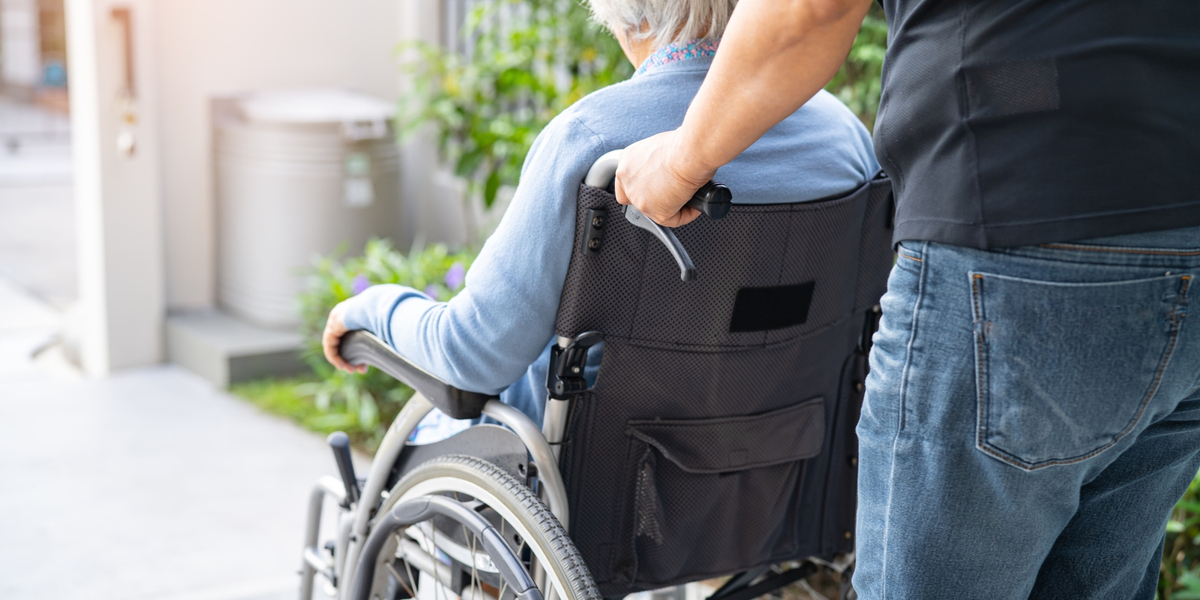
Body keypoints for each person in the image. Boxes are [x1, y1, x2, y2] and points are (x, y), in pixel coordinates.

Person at [614, 0, 1200, 597]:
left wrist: (682, 160)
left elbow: (810, 8)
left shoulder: (591, 131)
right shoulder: (840, 138)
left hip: (1014, 225)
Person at [322, 0, 878, 439]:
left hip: (600, 480)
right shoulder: (846, 136)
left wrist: (370, 307)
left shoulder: (591, 136)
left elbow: (475, 353)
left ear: (625, 17)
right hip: (774, 461)